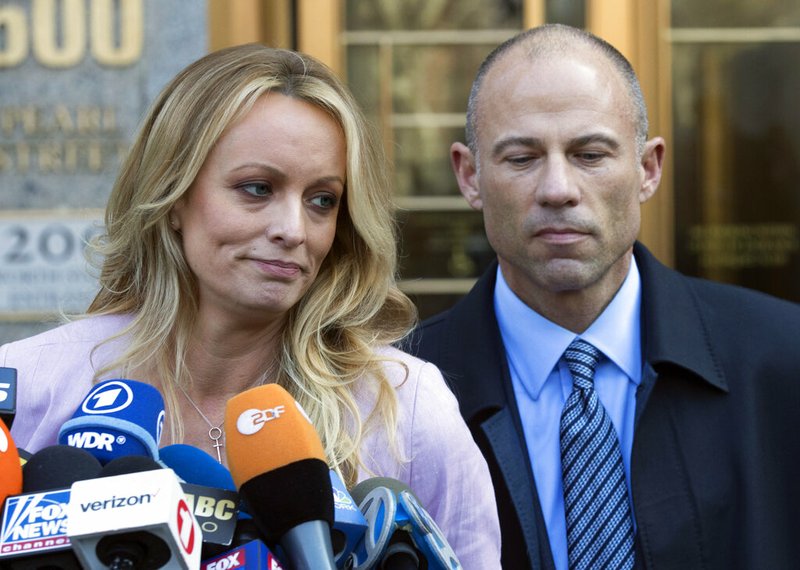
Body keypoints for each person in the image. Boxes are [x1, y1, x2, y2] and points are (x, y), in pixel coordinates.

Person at [1, 44, 501, 566]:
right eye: (257, 188)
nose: (292, 229)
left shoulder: (404, 406)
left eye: (322, 200)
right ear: (174, 198)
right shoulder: (28, 384)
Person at [406, 23, 800, 569]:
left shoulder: (782, 362)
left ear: (648, 168)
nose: (558, 188)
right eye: (521, 158)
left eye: (590, 154)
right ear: (469, 176)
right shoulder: (399, 393)